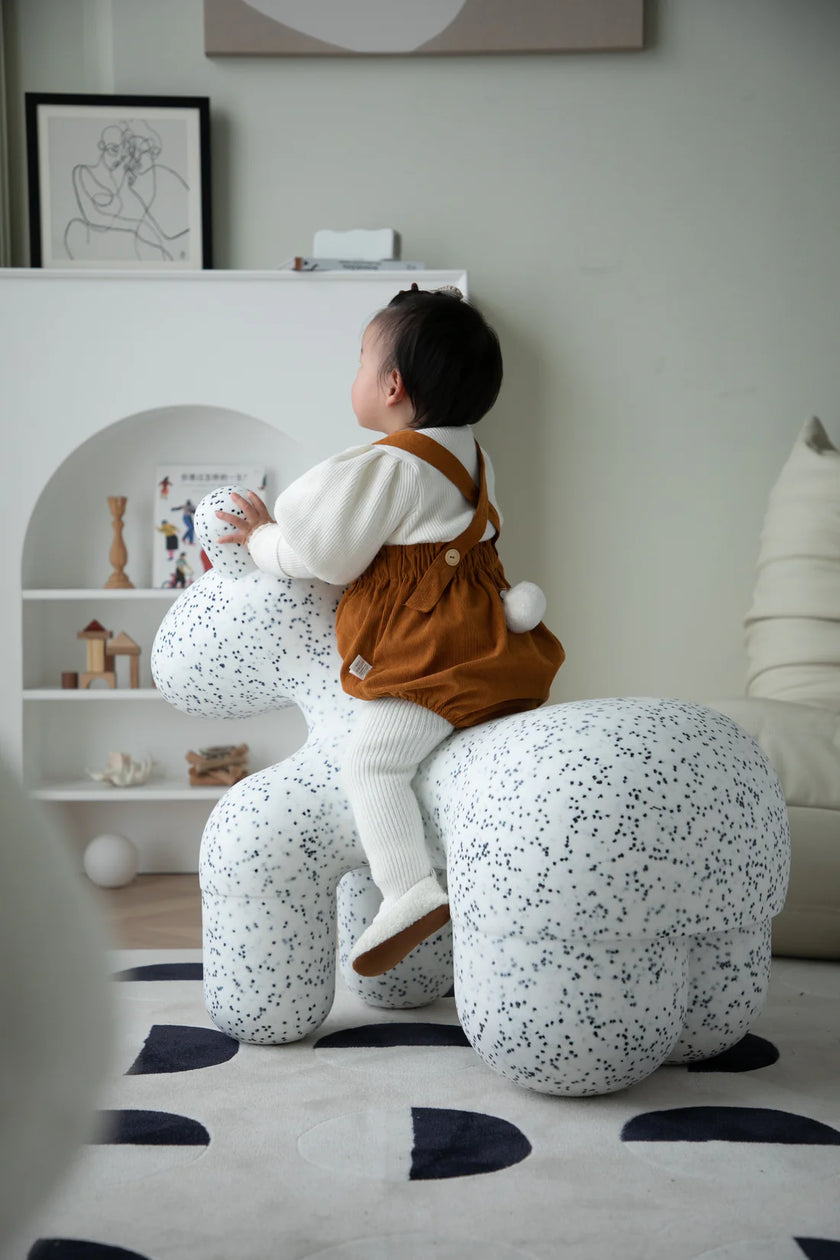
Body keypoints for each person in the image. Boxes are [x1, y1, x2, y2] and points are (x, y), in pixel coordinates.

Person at [216, 285, 564, 976]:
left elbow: (324, 553)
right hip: (490, 641)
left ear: (393, 386)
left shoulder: (390, 467)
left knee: (372, 763)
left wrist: (262, 539)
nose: (355, 377)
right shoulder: (472, 456)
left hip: (429, 655)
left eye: (360, 362)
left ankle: (407, 890)